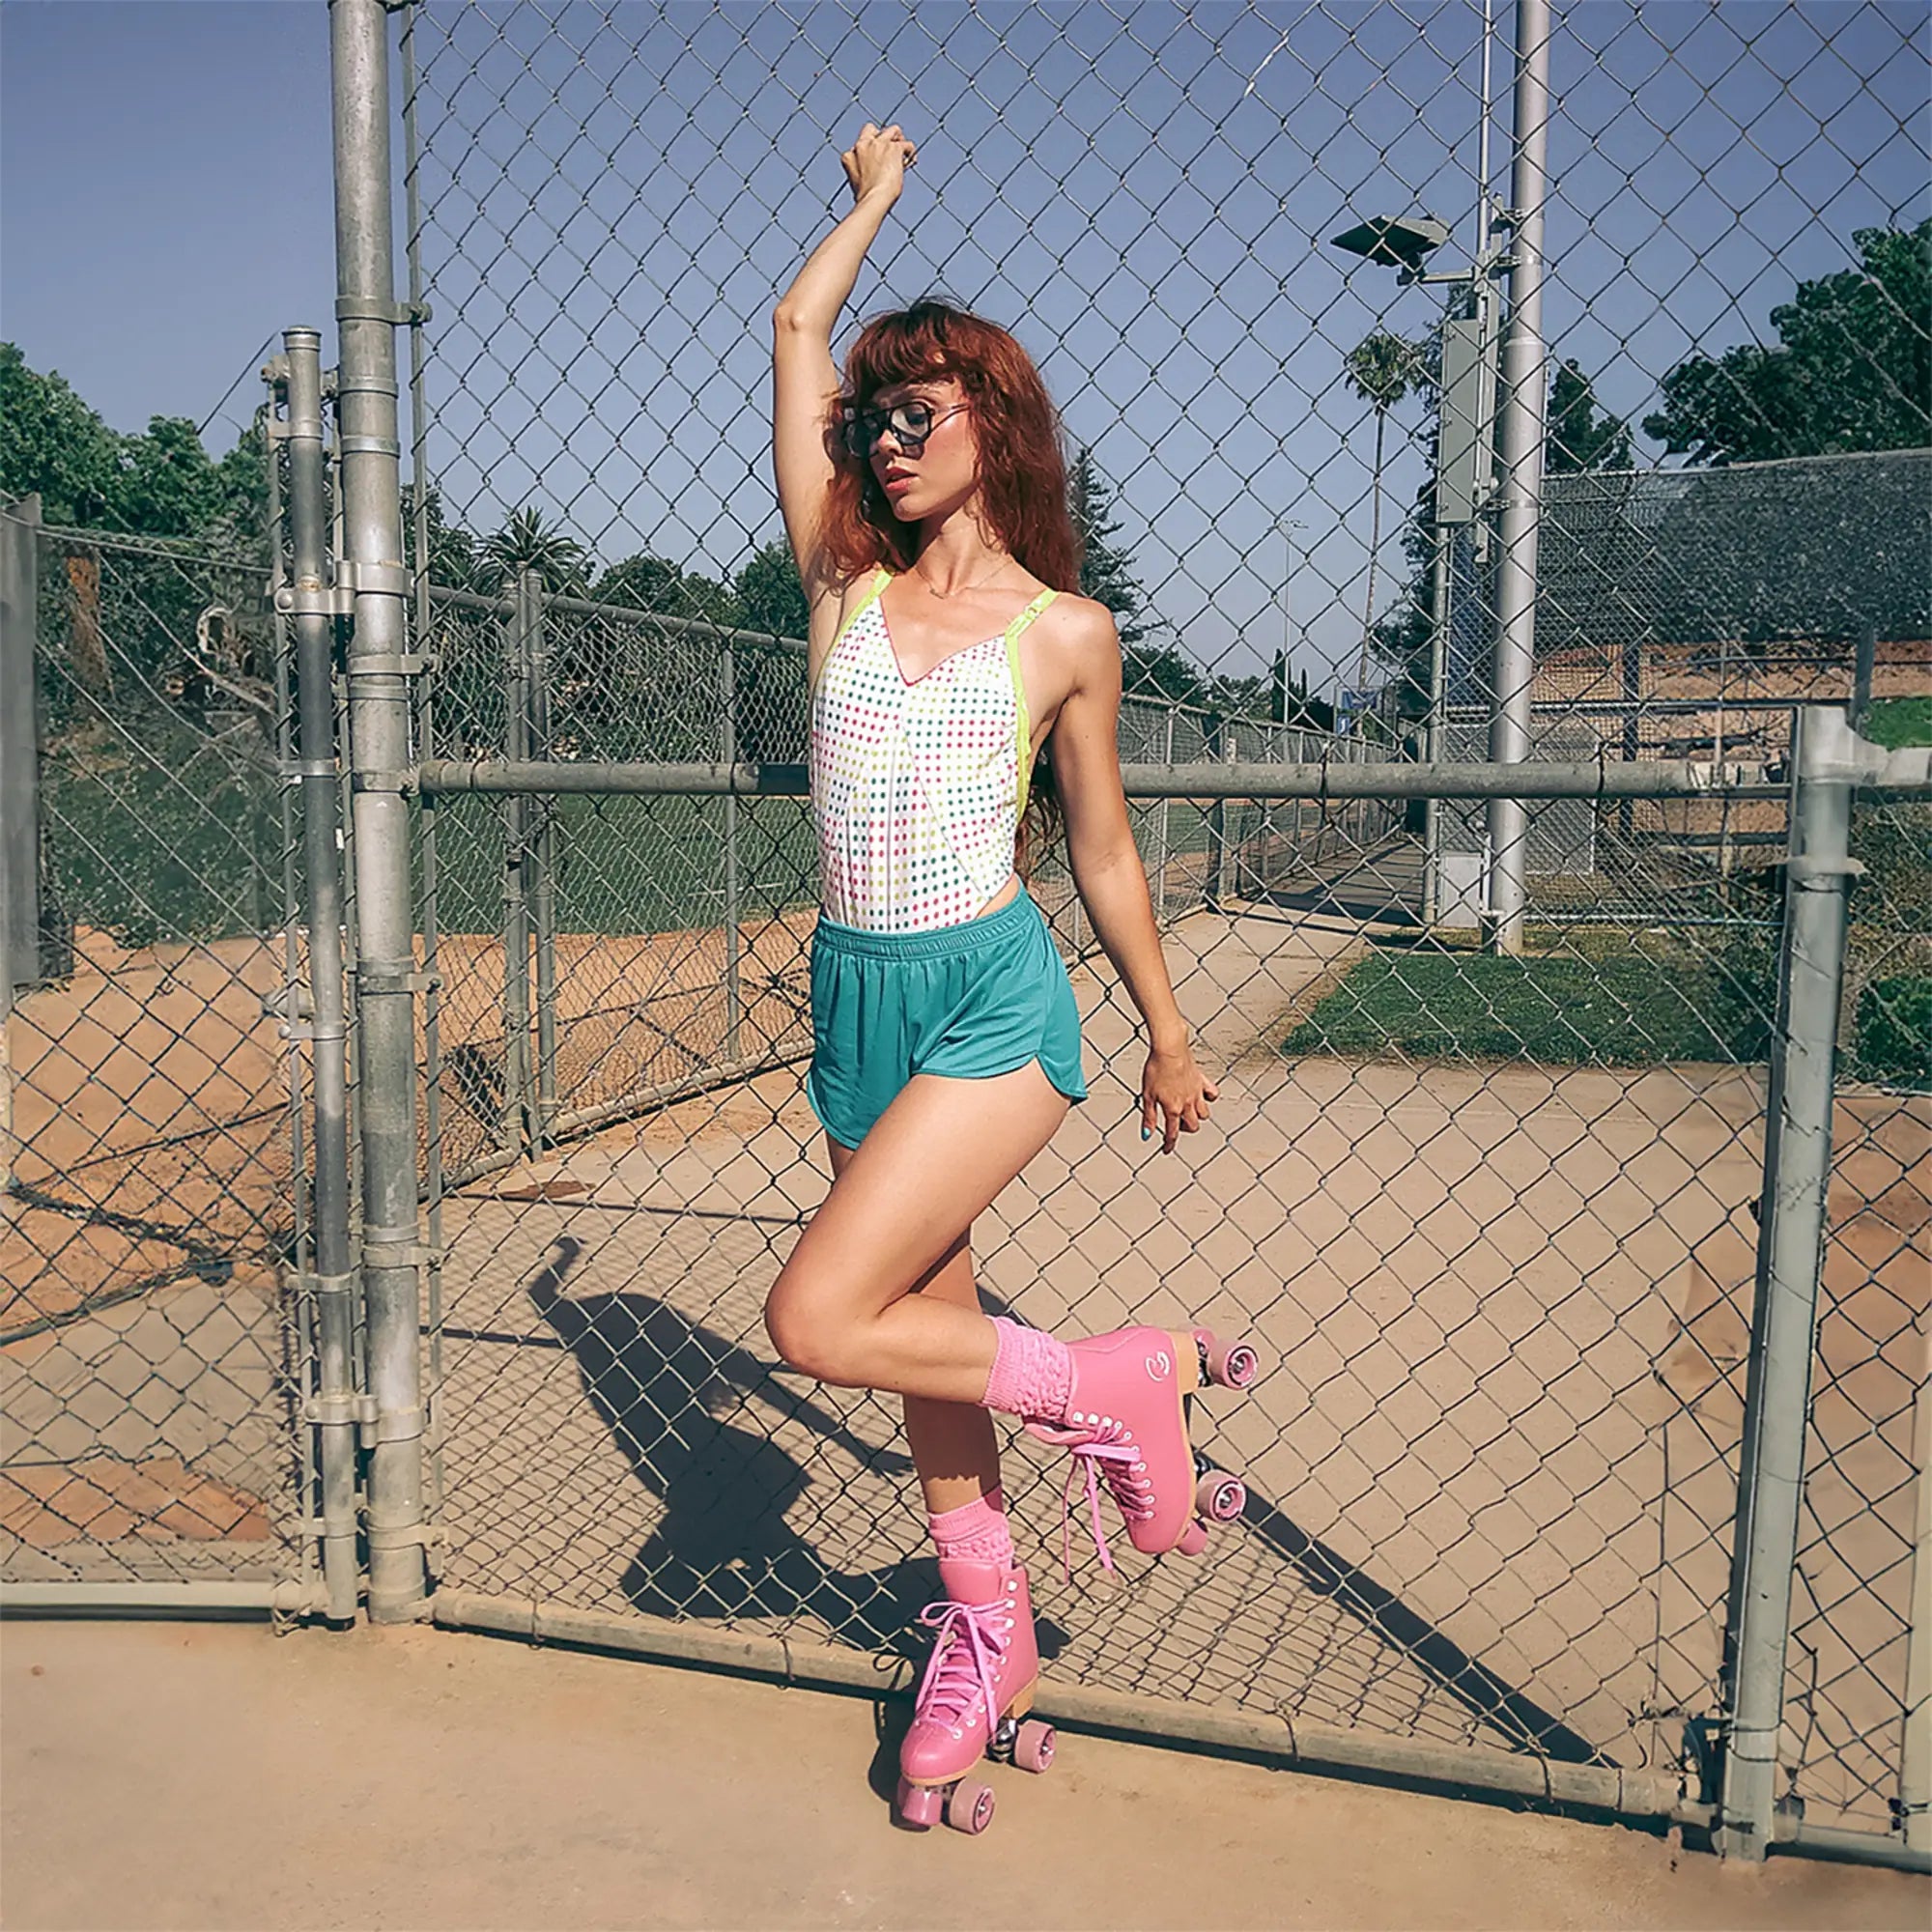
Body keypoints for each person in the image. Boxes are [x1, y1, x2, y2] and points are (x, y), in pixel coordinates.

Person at [765, 121, 1257, 1834]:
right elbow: (790, 334)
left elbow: (1102, 847)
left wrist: (1166, 1028)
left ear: (997, 430)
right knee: (919, 1341)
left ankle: (1113, 1386)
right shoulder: (841, 581)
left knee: (816, 1321)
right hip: (853, 994)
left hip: (987, 997)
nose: (886, 441)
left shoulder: (1067, 630)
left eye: (922, 414)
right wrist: (873, 211)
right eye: (871, 422)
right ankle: (989, 1631)